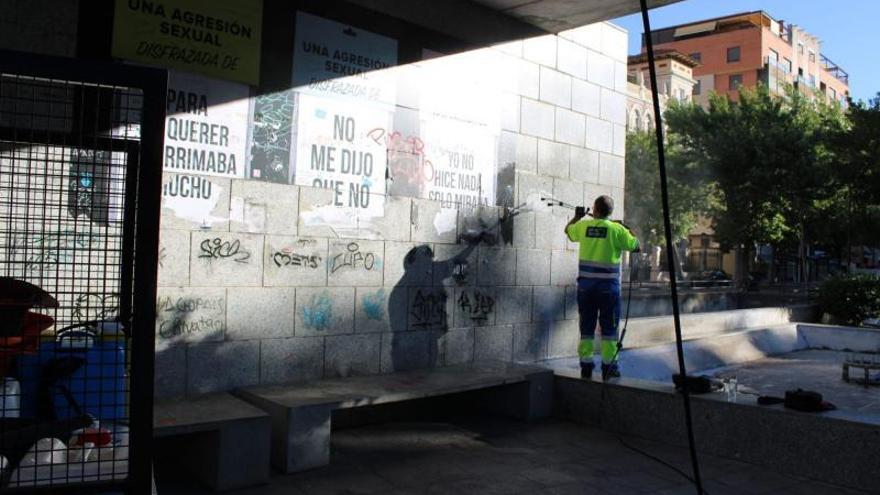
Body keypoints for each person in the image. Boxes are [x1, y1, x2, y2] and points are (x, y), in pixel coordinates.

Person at [565, 195, 639, 379]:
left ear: (594, 209)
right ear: (610, 212)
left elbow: (568, 231)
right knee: (609, 330)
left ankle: (586, 366)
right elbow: (636, 246)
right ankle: (609, 367)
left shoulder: (582, 226)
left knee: (587, 329)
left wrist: (577, 217)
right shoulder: (617, 229)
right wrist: (628, 229)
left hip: (586, 289)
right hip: (608, 291)